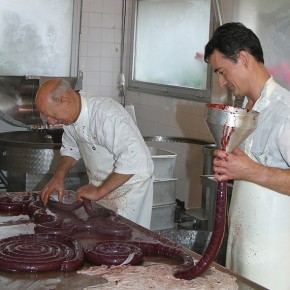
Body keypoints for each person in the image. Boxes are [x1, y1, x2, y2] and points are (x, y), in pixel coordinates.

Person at [204, 22, 290, 289]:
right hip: (242, 246)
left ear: (243, 58)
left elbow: (252, 171)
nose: (221, 82)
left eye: (222, 71)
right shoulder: (243, 110)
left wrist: (249, 170)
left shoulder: (284, 111)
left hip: (274, 260)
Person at [35, 78, 154, 229]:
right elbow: (71, 148)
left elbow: (135, 159)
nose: (51, 122)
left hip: (129, 188)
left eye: (51, 115)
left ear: (65, 100)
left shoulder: (106, 115)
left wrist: (100, 191)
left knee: (126, 239)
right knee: (103, 238)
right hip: (100, 187)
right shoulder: (70, 119)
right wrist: (59, 176)